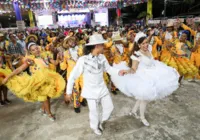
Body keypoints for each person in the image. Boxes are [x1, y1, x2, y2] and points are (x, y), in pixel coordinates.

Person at [110, 32, 180, 126]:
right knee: (144, 98)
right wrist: (125, 72)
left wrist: (150, 35)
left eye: (146, 42)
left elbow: (150, 54)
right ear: (138, 45)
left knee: (142, 97)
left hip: (153, 73)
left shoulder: (149, 49)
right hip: (143, 77)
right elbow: (133, 69)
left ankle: (134, 111)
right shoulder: (137, 55)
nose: (145, 45)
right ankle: (142, 118)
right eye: (143, 43)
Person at [64, 34, 127, 135]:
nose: (104, 46)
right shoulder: (83, 60)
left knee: (109, 107)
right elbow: (72, 77)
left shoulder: (102, 57)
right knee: (94, 112)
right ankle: (95, 126)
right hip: (90, 91)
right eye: (102, 45)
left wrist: (119, 72)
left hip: (102, 88)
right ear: (97, 46)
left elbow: (109, 69)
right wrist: (68, 92)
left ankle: (101, 121)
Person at [1, 42, 65, 121]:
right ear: (30, 52)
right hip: (38, 82)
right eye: (33, 50)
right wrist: (8, 77)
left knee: (47, 97)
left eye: (37, 48)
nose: (36, 50)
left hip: (48, 79)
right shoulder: (31, 60)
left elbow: (55, 63)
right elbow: (19, 69)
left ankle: (42, 110)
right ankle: (49, 114)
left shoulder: (45, 56)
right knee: (45, 98)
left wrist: (58, 58)